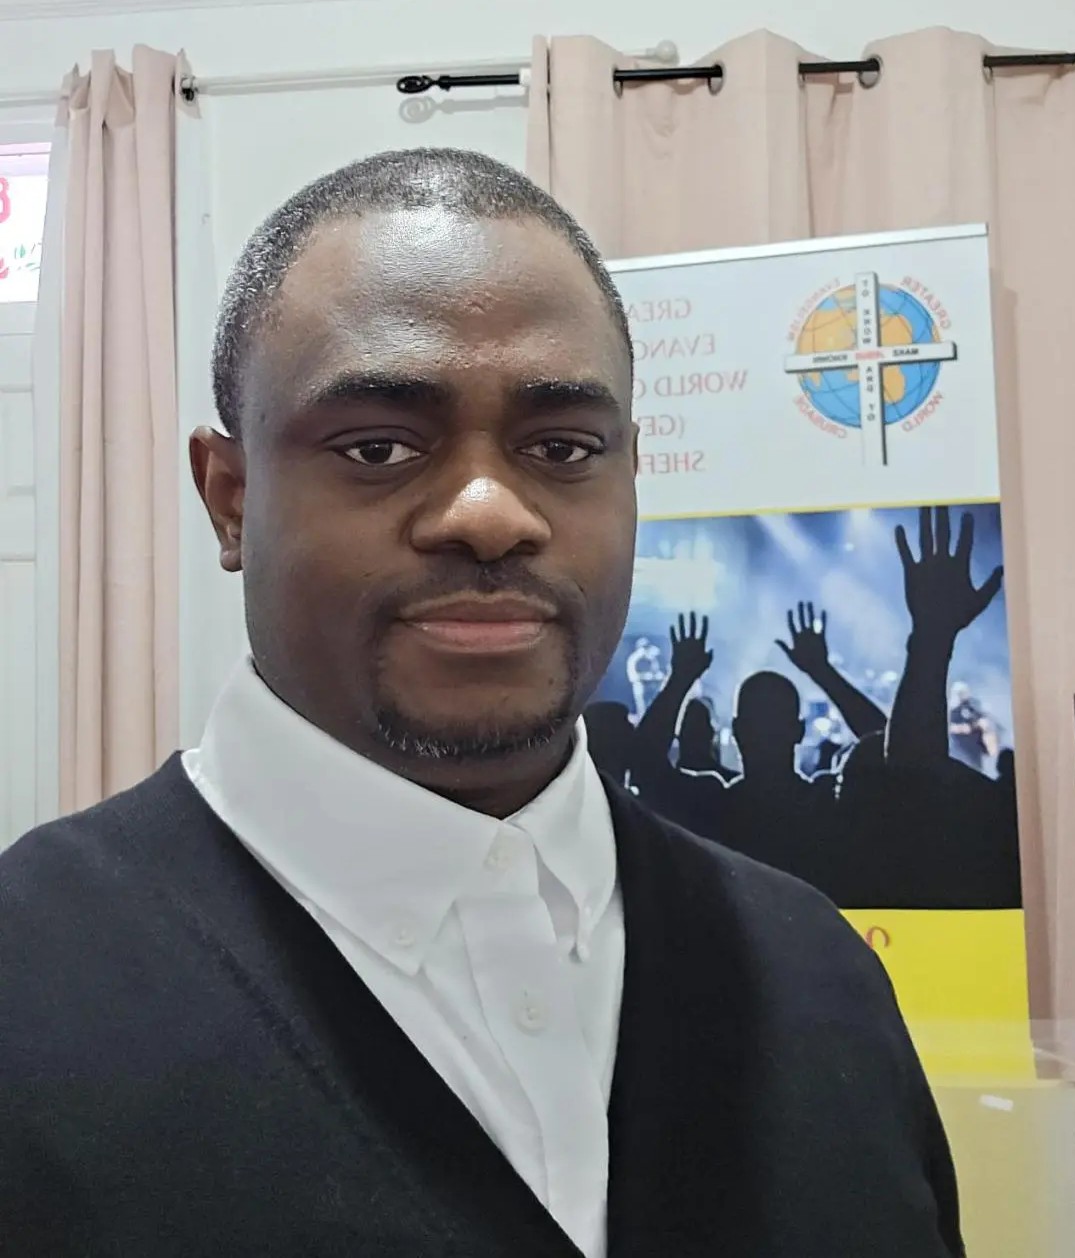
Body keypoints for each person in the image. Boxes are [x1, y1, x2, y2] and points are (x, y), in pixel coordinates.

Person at [0, 149, 962, 1258]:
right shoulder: (30, 989)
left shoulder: (816, 973)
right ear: (231, 496)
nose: (490, 512)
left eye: (563, 448)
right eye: (378, 446)